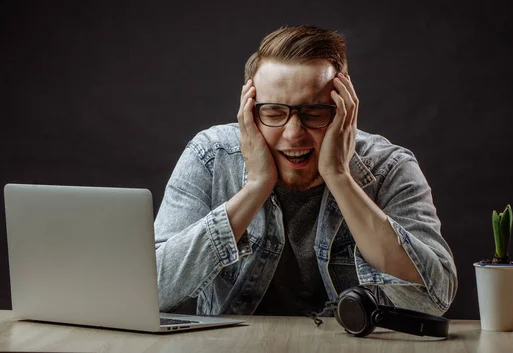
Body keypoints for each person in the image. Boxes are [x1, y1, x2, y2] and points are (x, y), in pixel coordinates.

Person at [154, 25, 457, 318]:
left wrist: (339, 177)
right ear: (250, 113)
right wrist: (256, 187)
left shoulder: (390, 168)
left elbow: (433, 300)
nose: (293, 133)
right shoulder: (210, 157)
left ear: (345, 110)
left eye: (314, 113)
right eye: (274, 112)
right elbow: (153, 289)